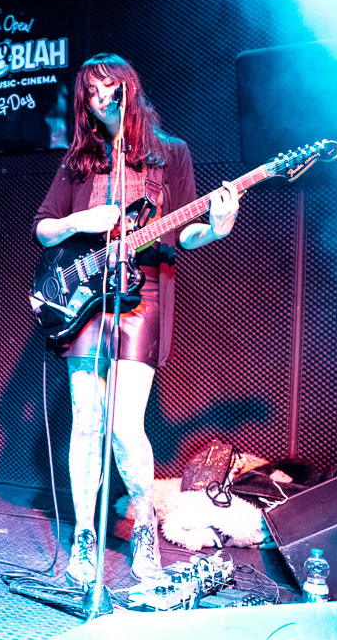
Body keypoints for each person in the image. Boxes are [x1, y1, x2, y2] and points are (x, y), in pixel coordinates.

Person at [32, 53, 241, 584]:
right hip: (85, 296)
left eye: (109, 87)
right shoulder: (80, 161)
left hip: (143, 291)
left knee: (125, 425)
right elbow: (43, 228)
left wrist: (217, 227)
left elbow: (186, 233)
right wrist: (81, 219)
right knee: (86, 419)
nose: (101, 98)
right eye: (91, 92)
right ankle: (85, 534)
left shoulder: (170, 154)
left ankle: (144, 524)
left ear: (128, 88)